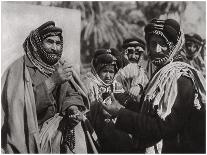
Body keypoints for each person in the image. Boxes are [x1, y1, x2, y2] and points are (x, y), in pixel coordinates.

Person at [101, 19, 206, 153]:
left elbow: (162, 126)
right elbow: (150, 110)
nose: (157, 50)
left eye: (163, 44)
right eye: (153, 44)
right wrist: (122, 101)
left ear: (174, 46)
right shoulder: (163, 72)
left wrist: (119, 113)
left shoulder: (179, 77)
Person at [1, 21, 98, 153]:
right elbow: (20, 112)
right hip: (30, 135)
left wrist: (72, 109)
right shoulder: (18, 70)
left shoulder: (59, 65)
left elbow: (72, 93)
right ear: (37, 44)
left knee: (80, 125)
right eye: (49, 42)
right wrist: (53, 81)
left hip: (56, 129)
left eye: (58, 43)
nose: (55, 48)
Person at [82, 48, 140, 153]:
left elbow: (123, 99)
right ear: (96, 70)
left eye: (111, 72)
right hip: (90, 126)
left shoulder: (114, 84)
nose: (108, 76)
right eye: (104, 71)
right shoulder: (88, 84)